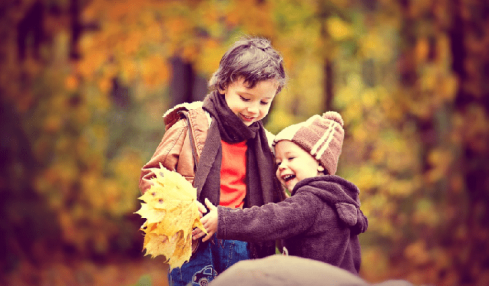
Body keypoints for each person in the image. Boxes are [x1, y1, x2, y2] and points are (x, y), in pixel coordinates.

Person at [139, 36, 287, 286]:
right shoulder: (191, 125)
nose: (254, 109)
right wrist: (184, 207)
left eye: (265, 102)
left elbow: (282, 202)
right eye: (245, 98)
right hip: (194, 242)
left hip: (244, 244)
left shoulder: (267, 144)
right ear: (223, 85)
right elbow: (153, 176)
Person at [195, 111, 369, 274]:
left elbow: (270, 220)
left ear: (320, 162)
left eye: (290, 157)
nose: (282, 166)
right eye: (278, 163)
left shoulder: (311, 202)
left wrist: (224, 220)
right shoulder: (334, 200)